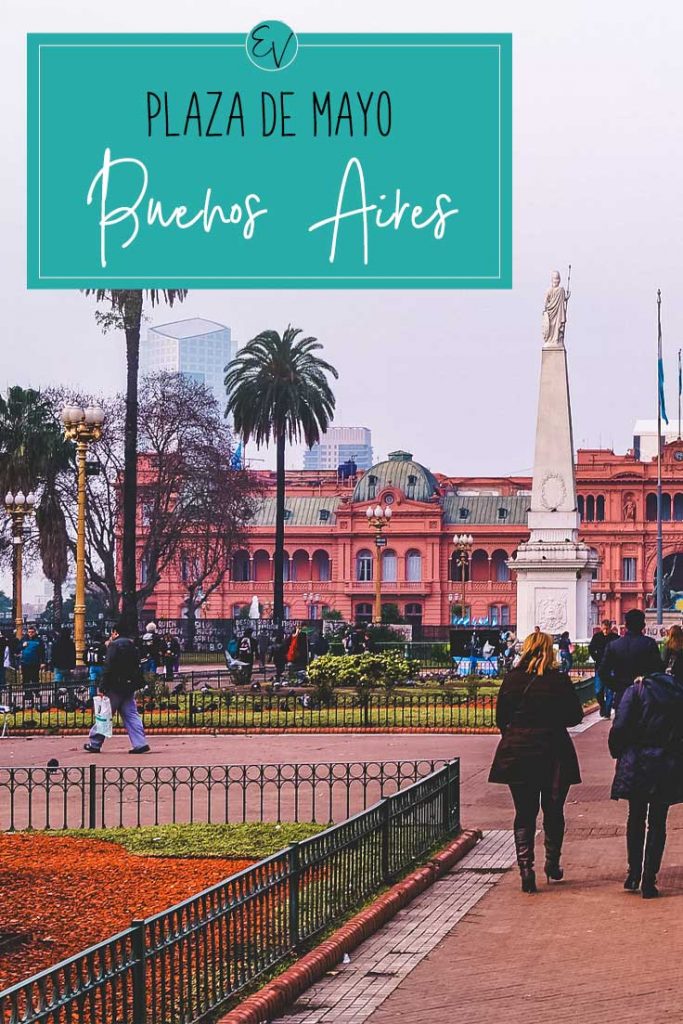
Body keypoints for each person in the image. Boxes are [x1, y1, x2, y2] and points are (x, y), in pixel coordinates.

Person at [489, 631, 584, 893]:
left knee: (524, 812)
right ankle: (552, 864)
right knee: (553, 811)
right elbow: (575, 716)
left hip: (519, 751)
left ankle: (526, 869)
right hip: (554, 751)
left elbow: (501, 718)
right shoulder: (558, 680)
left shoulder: (512, 679)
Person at [609, 668, 683, 897]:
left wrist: (617, 751)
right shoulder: (677, 694)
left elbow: (620, 726)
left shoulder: (636, 691)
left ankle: (634, 873)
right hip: (666, 762)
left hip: (638, 761)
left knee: (636, 817)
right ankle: (650, 879)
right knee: (658, 822)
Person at [84, 620, 149, 754]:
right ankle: (140, 743)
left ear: (116, 632)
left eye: (112, 633)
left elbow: (108, 667)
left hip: (114, 685)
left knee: (105, 714)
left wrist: (102, 687)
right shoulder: (132, 645)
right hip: (129, 685)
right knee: (131, 714)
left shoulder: (114, 646)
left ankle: (95, 742)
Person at [598, 608, 664, 713]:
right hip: (645, 696)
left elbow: (602, 672)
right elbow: (659, 671)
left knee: (622, 726)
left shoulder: (613, 646)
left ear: (626, 625)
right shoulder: (649, 644)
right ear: (643, 625)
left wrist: (617, 686)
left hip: (622, 695)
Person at [589, 619, 618, 718]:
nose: (605, 631)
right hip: (600, 666)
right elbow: (591, 648)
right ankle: (603, 705)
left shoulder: (615, 638)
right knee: (598, 690)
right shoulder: (597, 637)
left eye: (607, 629)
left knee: (610, 690)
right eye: (604, 629)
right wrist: (596, 657)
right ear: (601, 627)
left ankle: (607, 711)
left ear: (610, 628)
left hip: (612, 667)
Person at [20, 625, 45, 699]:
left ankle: (36, 692)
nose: (30, 633)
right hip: (25, 663)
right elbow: (17, 648)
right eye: (29, 632)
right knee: (26, 678)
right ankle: (27, 693)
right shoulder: (23, 639)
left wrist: (43, 662)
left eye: (32, 632)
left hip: (35, 663)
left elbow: (42, 652)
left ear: (35, 632)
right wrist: (22, 646)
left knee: (35, 678)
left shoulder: (39, 640)